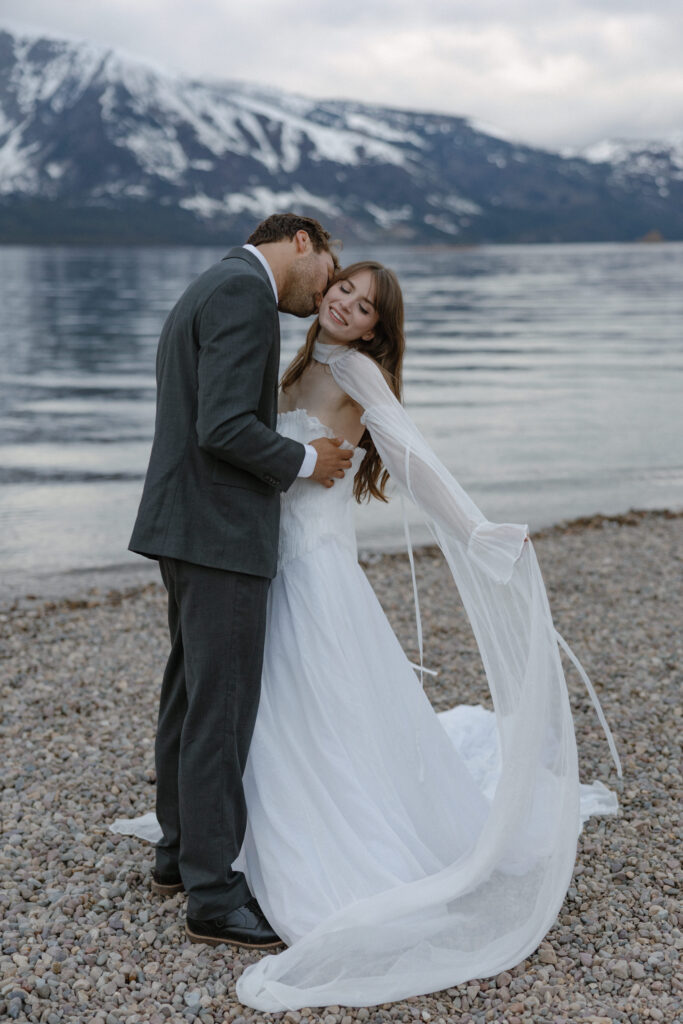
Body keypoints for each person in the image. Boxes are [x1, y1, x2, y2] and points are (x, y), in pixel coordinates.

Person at [116, 261, 620, 1010]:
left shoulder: (354, 370)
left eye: (362, 306)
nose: (345, 305)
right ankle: (209, 849)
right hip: (260, 566)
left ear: (378, 330)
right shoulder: (300, 355)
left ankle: (253, 854)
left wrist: (477, 530)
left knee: (311, 711)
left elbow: (410, 457)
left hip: (312, 576)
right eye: (341, 290)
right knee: (239, 706)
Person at [127, 213, 356, 950]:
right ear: (300, 242)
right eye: (329, 265)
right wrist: (304, 464)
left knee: (190, 694)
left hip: (186, 524)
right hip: (219, 530)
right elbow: (223, 426)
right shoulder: (242, 295)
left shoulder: (215, 282)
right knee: (220, 710)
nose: (326, 284)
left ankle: (176, 854)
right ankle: (213, 893)